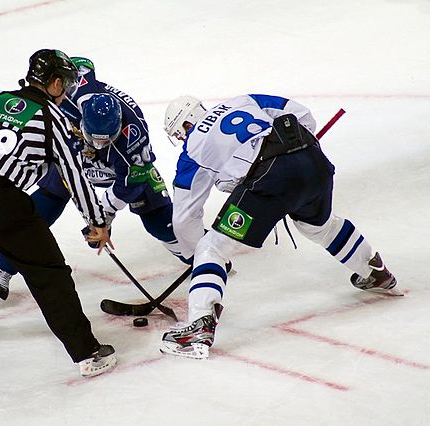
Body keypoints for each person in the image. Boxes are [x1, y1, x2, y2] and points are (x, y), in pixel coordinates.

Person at [159, 94, 401, 359]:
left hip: (271, 178)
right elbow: (302, 114)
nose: (181, 139)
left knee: (212, 248)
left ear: (185, 126)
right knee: (318, 227)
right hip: (312, 160)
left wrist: (195, 259)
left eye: (179, 134)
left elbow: (184, 219)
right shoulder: (242, 100)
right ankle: (376, 272)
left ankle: (199, 326)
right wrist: (291, 161)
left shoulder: (192, 149)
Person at [0, 48, 116, 377]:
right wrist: (98, 222)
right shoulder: (52, 117)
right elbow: (73, 176)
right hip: (0, 202)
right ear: (56, 83)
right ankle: (88, 353)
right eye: (67, 86)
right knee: (49, 273)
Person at [0, 57, 188, 307]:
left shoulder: (134, 138)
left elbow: (130, 183)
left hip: (120, 168)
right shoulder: (75, 94)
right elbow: (78, 63)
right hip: (73, 155)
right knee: (42, 210)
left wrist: (105, 216)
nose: (98, 144)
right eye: (95, 138)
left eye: (105, 139)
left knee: (158, 223)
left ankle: (198, 252)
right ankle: (3, 269)